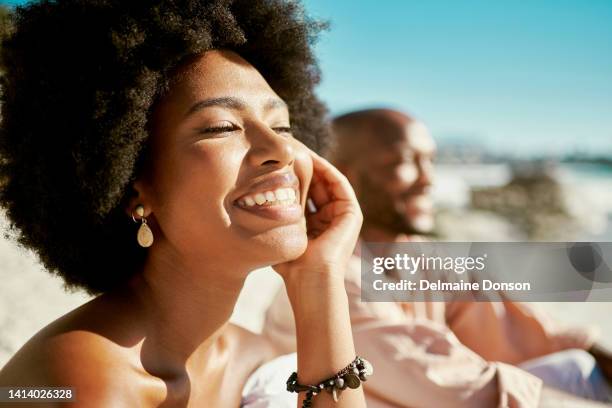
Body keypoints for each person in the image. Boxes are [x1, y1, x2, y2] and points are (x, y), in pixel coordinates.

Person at [0, 1, 369, 407]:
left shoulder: (252, 357)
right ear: (133, 189)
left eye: (282, 125)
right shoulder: (78, 380)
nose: (281, 147)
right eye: (221, 127)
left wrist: (318, 279)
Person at [264, 108, 612, 407]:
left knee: (576, 366)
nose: (428, 179)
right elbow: (471, 392)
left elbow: (524, 327)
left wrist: (596, 351)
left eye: (429, 161)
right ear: (338, 176)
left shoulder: (421, 258)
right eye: (403, 162)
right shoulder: (331, 278)